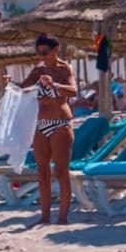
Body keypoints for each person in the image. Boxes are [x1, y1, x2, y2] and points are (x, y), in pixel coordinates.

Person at [11, 34, 79, 223]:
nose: (41, 56)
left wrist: (54, 84)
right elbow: (22, 90)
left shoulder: (64, 69)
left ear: (56, 50)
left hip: (60, 123)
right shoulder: (37, 71)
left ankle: (63, 218)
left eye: (45, 52)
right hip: (40, 124)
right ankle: (45, 217)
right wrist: (8, 83)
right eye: (39, 52)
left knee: (61, 172)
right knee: (42, 172)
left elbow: (73, 91)